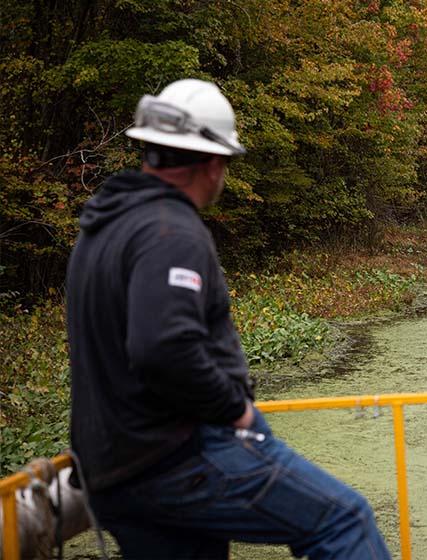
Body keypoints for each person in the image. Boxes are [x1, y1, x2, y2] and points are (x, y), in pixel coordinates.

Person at [66, 79, 391, 559]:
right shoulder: (172, 232)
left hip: (112, 470)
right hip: (176, 459)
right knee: (345, 520)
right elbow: (163, 348)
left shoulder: (103, 228)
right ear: (213, 162)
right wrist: (235, 410)